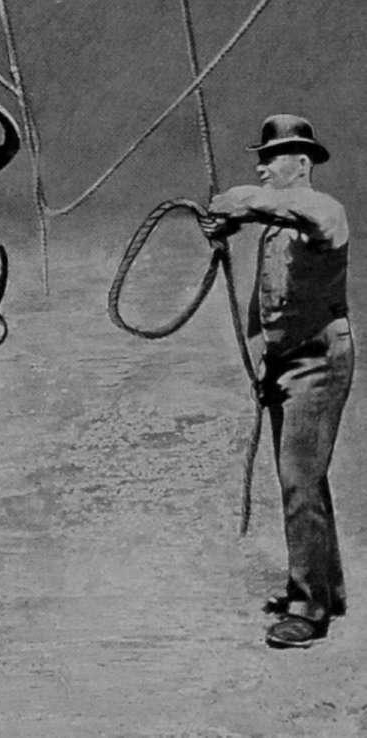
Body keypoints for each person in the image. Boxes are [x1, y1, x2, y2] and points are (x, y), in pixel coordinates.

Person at [203, 114, 353, 649]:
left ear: (302, 162)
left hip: (319, 362)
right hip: (284, 363)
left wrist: (237, 204)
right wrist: (262, 362)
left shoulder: (325, 211)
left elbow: (288, 208)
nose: (263, 168)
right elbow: (264, 302)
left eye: (272, 158)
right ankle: (329, 588)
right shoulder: (273, 229)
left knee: (298, 482)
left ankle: (308, 608)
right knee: (306, 479)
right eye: (261, 159)